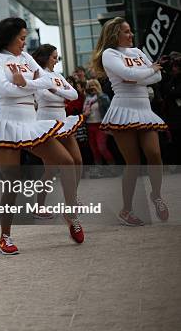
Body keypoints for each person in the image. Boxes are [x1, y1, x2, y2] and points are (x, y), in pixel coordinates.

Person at [0, 17, 84, 255]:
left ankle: (70, 212)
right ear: (10, 36)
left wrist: (24, 83)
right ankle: (5, 236)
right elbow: (3, 90)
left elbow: (46, 79)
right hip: (7, 122)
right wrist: (28, 83)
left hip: (31, 121)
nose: (25, 42)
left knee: (66, 161)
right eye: (22, 38)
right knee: (12, 182)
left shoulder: (25, 58)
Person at [89, 17, 168, 225]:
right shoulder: (109, 54)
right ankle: (126, 210)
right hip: (123, 110)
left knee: (155, 153)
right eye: (126, 32)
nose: (131, 35)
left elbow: (156, 78)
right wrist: (147, 71)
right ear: (115, 34)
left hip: (144, 108)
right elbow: (129, 73)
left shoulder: (137, 52)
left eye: (130, 31)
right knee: (132, 163)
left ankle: (156, 195)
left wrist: (137, 75)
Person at [33, 44, 84, 217]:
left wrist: (56, 90)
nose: (56, 60)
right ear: (45, 57)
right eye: (54, 57)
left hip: (63, 121)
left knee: (77, 160)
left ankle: (72, 198)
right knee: (51, 169)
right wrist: (62, 94)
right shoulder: (38, 74)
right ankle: (39, 206)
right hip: (46, 122)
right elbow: (43, 96)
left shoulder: (57, 76)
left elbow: (75, 95)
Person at [82, 79, 115, 176]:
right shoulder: (87, 99)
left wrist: (98, 94)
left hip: (100, 125)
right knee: (94, 149)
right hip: (89, 125)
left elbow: (109, 109)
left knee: (102, 148)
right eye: (89, 86)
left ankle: (113, 168)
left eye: (93, 85)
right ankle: (98, 170)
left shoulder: (103, 97)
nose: (91, 87)